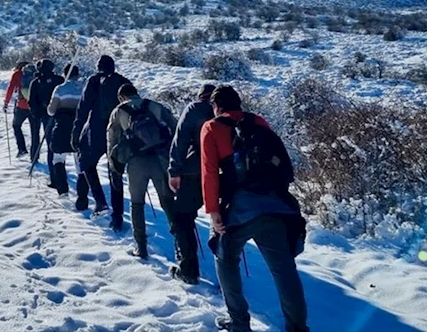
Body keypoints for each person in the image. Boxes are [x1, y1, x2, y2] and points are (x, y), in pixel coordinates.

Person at [201, 86, 309, 332]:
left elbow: (209, 172)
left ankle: (239, 323)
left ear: (217, 107)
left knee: (225, 259)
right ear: (239, 104)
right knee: (284, 271)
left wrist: (214, 211)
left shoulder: (212, 127)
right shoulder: (259, 121)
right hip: (277, 205)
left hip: (239, 209)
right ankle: (298, 328)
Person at [107, 83, 178, 259]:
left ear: (121, 97)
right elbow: (176, 128)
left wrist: (114, 165)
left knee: (137, 203)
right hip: (160, 160)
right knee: (168, 202)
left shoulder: (119, 111)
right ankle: (181, 246)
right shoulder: (154, 105)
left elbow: (112, 139)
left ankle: (141, 247)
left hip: (136, 162)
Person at [71, 55, 130, 230]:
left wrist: (76, 132)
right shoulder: (122, 81)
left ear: (98, 67)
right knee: (115, 173)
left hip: (95, 130)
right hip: (117, 131)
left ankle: (100, 202)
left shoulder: (93, 81)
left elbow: (83, 108)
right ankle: (117, 217)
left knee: (87, 164)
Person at [166, 83, 216, 284]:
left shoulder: (194, 109)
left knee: (182, 220)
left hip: (195, 171)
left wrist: (174, 171)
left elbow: (180, 141)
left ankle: (188, 270)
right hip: (224, 173)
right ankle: (228, 274)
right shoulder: (230, 112)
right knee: (223, 222)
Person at [46, 64, 82, 196]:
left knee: (58, 158)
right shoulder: (84, 88)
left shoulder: (60, 89)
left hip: (62, 127)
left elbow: (51, 111)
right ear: (78, 75)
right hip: (79, 128)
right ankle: (82, 194)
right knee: (80, 162)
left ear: (64, 74)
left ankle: (63, 190)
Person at [28, 59, 64, 183]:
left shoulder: (36, 82)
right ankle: (56, 175)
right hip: (59, 116)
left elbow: (31, 101)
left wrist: (38, 114)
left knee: (50, 144)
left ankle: (54, 176)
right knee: (54, 145)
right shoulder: (59, 80)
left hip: (46, 116)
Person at [4, 61, 36, 158]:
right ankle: (34, 155)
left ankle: (22, 149)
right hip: (34, 107)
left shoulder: (17, 74)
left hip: (21, 106)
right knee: (34, 131)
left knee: (16, 125)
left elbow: (10, 88)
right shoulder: (35, 74)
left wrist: (6, 102)